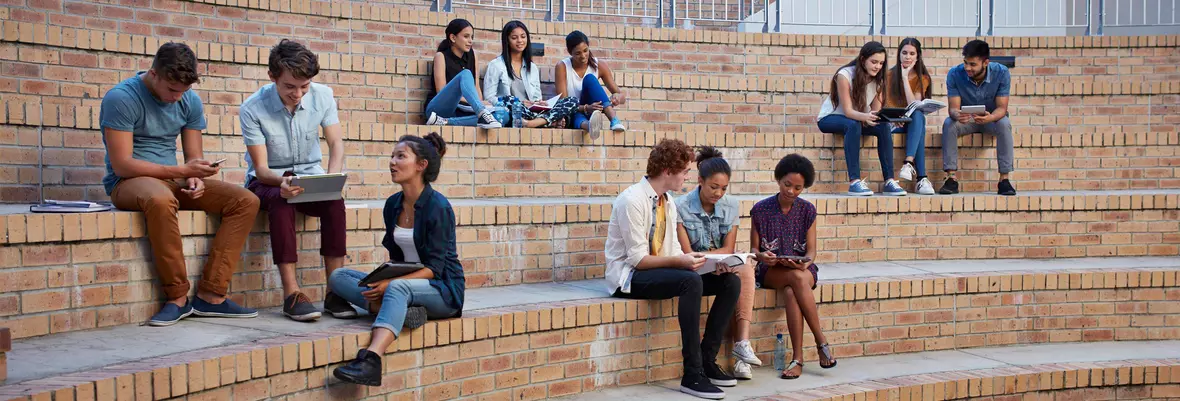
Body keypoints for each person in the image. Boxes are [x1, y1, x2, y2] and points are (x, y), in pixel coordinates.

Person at [100, 42, 260, 326]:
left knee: (246, 200)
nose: (177, 97)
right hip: (128, 182)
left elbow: (193, 157)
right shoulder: (121, 98)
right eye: (172, 90)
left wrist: (195, 176)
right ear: (154, 74)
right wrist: (180, 170)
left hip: (172, 178)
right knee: (160, 199)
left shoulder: (189, 100)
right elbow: (122, 163)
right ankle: (177, 298)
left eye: (183, 91)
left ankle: (211, 296)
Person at [604, 139, 739, 400]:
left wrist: (706, 264)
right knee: (690, 281)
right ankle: (692, 374)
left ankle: (708, 362)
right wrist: (683, 263)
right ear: (668, 171)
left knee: (729, 282)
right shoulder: (632, 200)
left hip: (660, 271)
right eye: (685, 171)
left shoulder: (668, 201)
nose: (688, 177)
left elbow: (677, 252)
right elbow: (638, 260)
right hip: (629, 278)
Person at [331, 133, 465, 386]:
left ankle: (371, 360)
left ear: (421, 165)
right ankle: (400, 308)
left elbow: (434, 270)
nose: (392, 161)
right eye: (392, 156)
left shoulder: (439, 207)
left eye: (401, 156)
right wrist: (380, 282)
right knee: (339, 276)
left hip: (443, 290)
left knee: (396, 288)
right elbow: (396, 260)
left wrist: (389, 286)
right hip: (404, 283)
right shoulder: (393, 204)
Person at [239, 40, 352, 322]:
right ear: (272, 77)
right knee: (282, 201)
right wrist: (281, 183)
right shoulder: (252, 108)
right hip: (269, 180)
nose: (298, 94)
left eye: (305, 86)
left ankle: (334, 291)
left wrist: (331, 179)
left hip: (310, 174)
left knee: (335, 203)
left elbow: (336, 143)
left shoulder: (323, 95)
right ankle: (292, 294)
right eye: (290, 86)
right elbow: (262, 169)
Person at [674, 147, 762, 381]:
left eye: (723, 188)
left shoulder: (731, 205)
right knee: (723, 276)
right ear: (700, 181)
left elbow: (728, 249)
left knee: (734, 279)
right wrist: (716, 256)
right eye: (714, 187)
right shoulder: (680, 205)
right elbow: (687, 253)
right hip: (690, 270)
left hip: (715, 268)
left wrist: (721, 259)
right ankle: (727, 351)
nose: (718, 194)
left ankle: (710, 357)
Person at [749, 154, 837, 380]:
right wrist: (764, 257)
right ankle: (821, 342)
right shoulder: (760, 210)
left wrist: (804, 262)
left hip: (801, 270)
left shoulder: (808, 210)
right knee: (795, 280)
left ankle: (797, 359)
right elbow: (754, 251)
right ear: (778, 179)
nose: (791, 191)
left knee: (793, 288)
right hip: (772, 271)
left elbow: (811, 252)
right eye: (787, 185)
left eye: (798, 188)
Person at [816, 41, 906, 197]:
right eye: (874, 62)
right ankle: (854, 182)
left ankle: (889, 181)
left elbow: (876, 112)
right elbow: (848, 111)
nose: (877, 66)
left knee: (883, 127)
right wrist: (865, 116)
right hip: (831, 118)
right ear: (863, 59)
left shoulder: (879, 80)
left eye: (881, 63)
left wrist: (889, 119)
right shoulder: (845, 75)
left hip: (858, 118)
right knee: (853, 124)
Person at [940, 39, 1016, 196]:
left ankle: (1004, 180)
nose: (967, 68)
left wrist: (990, 117)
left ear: (986, 62)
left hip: (991, 119)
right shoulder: (955, 74)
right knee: (949, 123)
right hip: (967, 120)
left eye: (973, 64)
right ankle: (951, 179)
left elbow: (1002, 108)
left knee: (1004, 123)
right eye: (966, 63)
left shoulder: (1001, 73)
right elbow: (953, 109)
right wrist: (957, 115)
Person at [483, 20, 576, 128]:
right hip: (511, 111)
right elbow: (489, 97)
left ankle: (533, 123)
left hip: (532, 112)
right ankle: (548, 122)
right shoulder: (496, 65)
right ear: (507, 41)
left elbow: (537, 97)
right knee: (509, 100)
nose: (520, 41)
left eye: (523, 36)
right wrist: (520, 103)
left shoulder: (532, 68)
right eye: (514, 38)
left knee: (572, 100)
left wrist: (539, 103)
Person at [423, 18, 501, 129]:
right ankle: (482, 113)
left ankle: (445, 122)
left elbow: (476, 87)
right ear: (453, 37)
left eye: (472, 37)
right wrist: (476, 104)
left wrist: (480, 102)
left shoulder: (473, 55)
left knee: (501, 115)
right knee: (465, 74)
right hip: (438, 109)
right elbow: (441, 91)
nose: (470, 41)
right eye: (466, 36)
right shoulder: (441, 56)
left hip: (461, 111)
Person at [883, 38, 935, 195]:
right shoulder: (888, 75)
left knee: (919, 115)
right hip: (891, 124)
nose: (907, 57)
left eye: (912, 54)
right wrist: (895, 119)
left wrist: (905, 78)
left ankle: (908, 163)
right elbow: (882, 104)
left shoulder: (922, 78)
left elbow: (914, 105)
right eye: (904, 53)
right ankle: (921, 178)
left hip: (910, 122)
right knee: (920, 128)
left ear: (917, 57)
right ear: (899, 55)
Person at [555, 31, 627, 134]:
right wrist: (585, 108)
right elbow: (564, 104)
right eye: (578, 53)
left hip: (593, 111)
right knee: (577, 116)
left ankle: (614, 120)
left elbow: (622, 97)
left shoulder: (599, 65)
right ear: (570, 52)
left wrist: (617, 97)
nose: (583, 56)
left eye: (585, 51)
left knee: (590, 78)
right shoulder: (562, 67)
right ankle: (590, 126)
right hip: (573, 112)